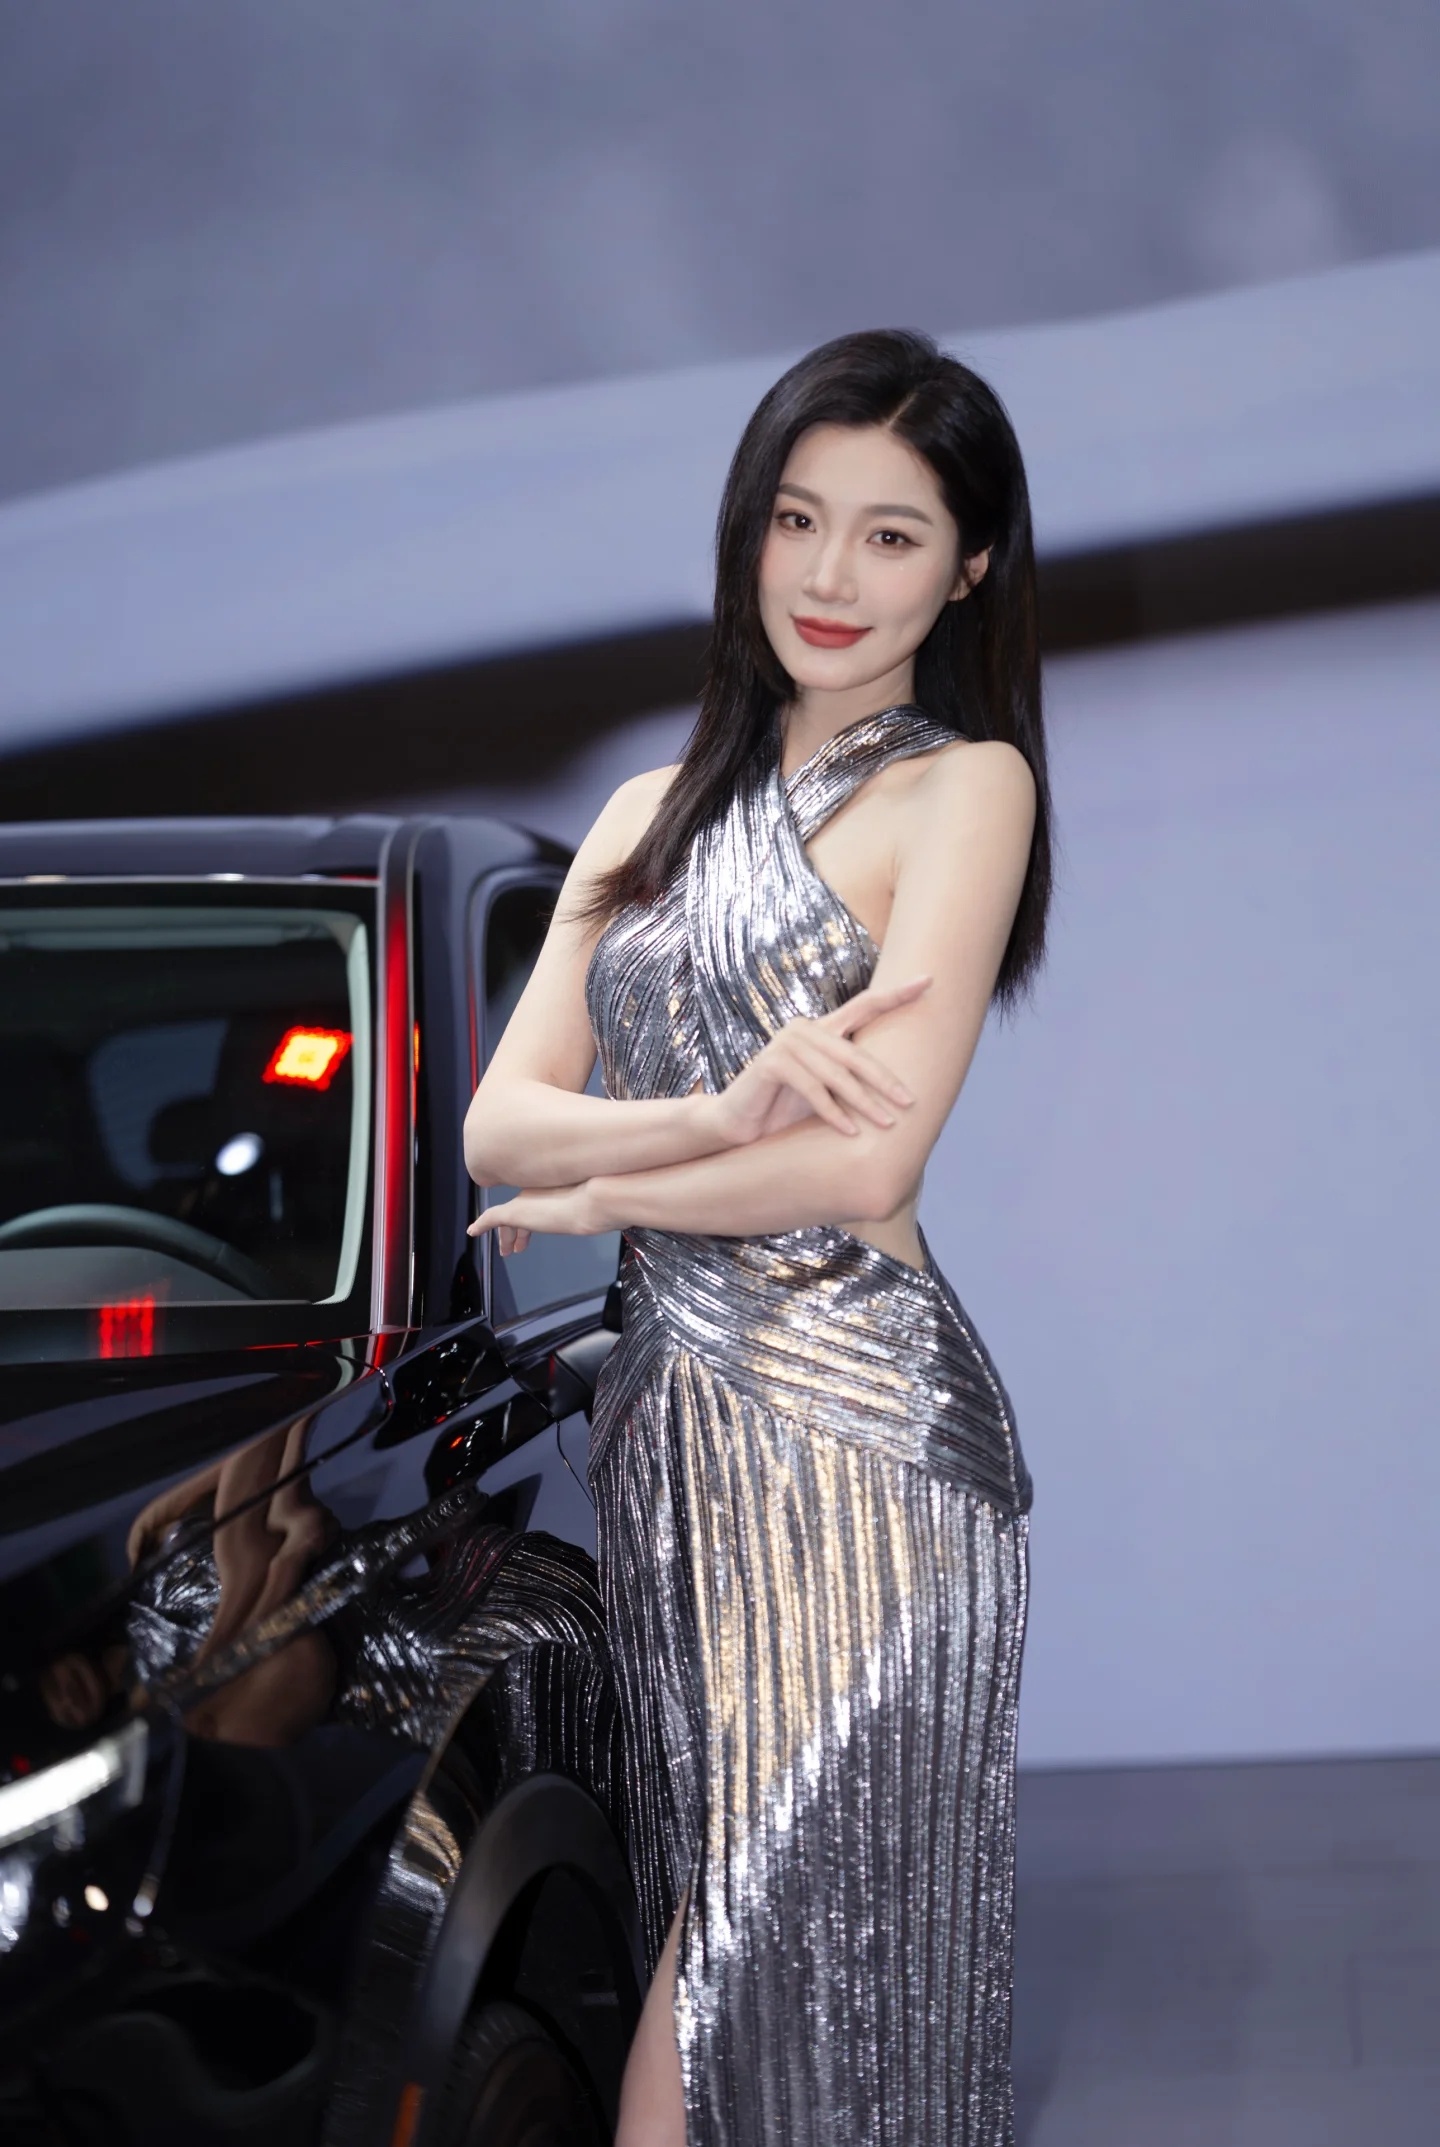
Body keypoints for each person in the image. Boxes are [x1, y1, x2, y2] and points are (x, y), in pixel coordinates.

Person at [464, 327, 1051, 2147]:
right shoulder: (641, 818)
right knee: (720, 1891)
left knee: (759, 1926)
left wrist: (607, 1189)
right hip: (673, 1441)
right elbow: (498, 1124)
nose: (830, 574)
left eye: (892, 533)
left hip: (865, 1437)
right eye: (799, 518)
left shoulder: (967, 788)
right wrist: (713, 1123)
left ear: (969, 566)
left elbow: (864, 1172)